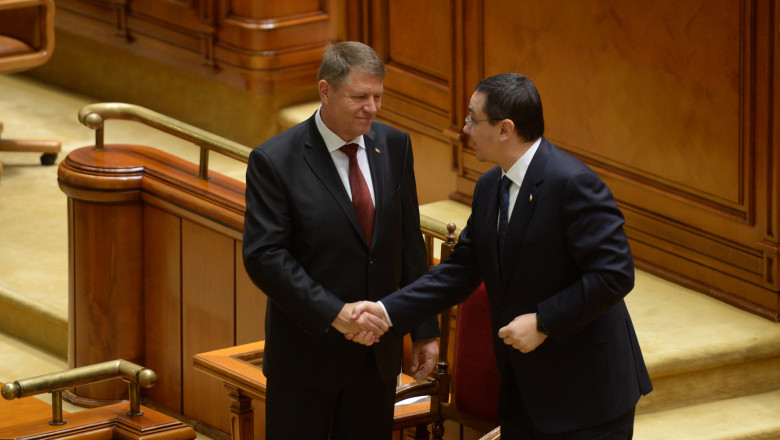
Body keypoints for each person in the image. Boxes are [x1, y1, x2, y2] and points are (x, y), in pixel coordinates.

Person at [351, 73, 653, 439]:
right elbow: (461, 270)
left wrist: (544, 321)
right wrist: (387, 311)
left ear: (505, 129)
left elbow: (615, 275)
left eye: (472, 119)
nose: (465, 129)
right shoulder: (490, 186)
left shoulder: (573, 184)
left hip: (587, 394)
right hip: (524, 391)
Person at [241, 41, 440, 440]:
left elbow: (409, 244)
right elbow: (265, 256)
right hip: (306, 360)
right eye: (359, 97)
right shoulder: (275, 160)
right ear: (325, 91)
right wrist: (336, 312)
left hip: (376, 361)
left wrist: (424, 330)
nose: (372, 107)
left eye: (378, 96)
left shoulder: (395, 146)